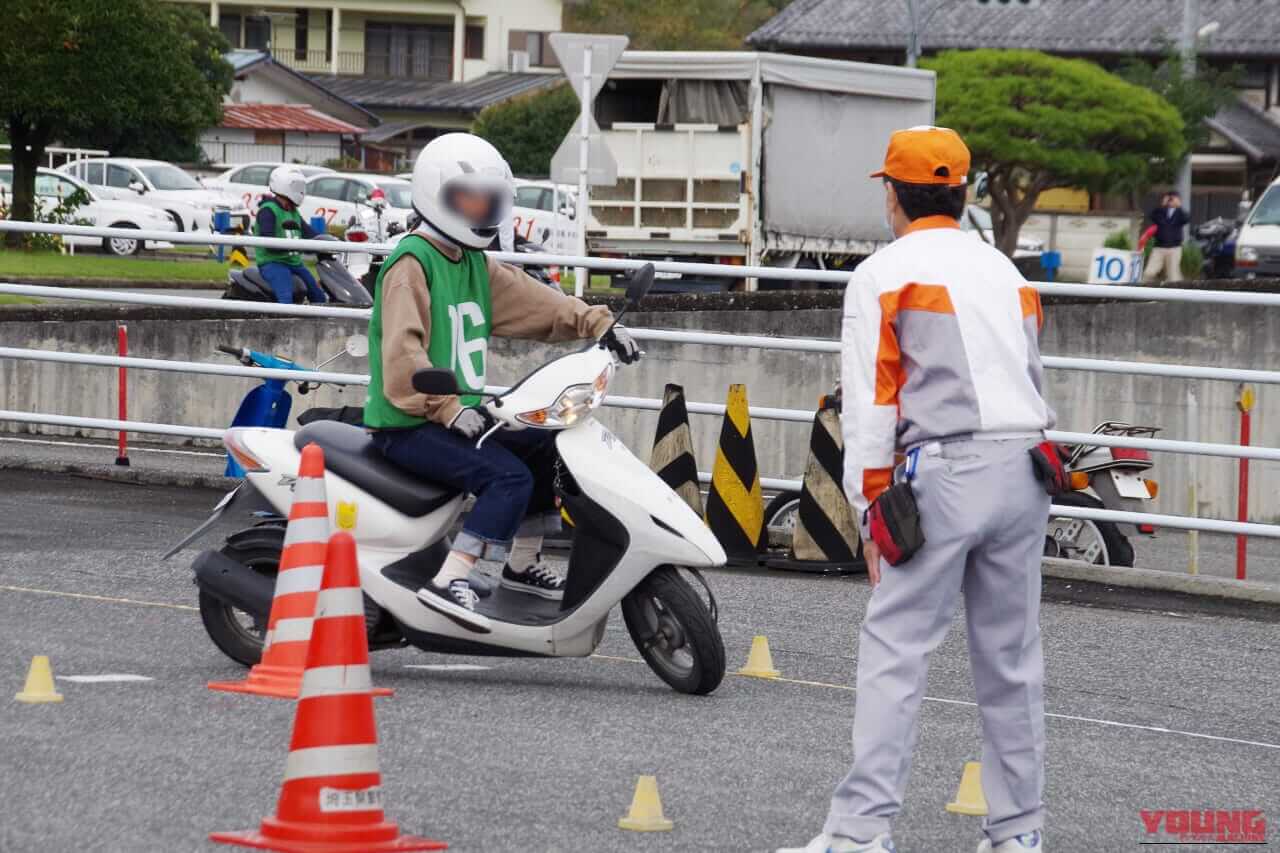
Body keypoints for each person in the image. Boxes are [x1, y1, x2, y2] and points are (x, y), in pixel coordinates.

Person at [778, 126, 1054, 853]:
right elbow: (1030, 376)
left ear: (892, 193)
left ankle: (861, 832)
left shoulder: (883, 273)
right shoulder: (1009, 273)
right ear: (962, 194)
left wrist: (872, 505)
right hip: (1025, 468)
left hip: (944, 474)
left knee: (896, 648)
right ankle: (1018, 833)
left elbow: (873, 403)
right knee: (1011, 659)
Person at [363, 132, 639, 630]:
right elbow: (403, 356)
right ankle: (452, 579)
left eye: (491, 199)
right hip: (409, 423)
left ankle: (520, 567)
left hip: (458, 416)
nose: (482, 209)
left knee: (544, 443)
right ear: (436, 195)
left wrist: (599, 323)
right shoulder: (411, 263)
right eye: (471, 198)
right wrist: (447, 409)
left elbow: (539, 302)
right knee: (506, 476)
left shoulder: (473, 263)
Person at [252, 166, 327, 304]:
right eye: (296, 186)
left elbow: (308, 232)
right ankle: (284, 325)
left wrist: (330, 241)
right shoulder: (268, 210)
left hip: (294, 263)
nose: (301, 191)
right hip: (273, 263)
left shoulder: (293, 211)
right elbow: (268, 242)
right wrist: (297, 246)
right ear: (283, 186)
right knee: (286, 299)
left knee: (318, 295)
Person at [1143, 191, 1190, 283]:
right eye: (1169, 198)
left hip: (1174, 248)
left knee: (1173, 275)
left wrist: (1179, 206)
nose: (1170, 201)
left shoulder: (1179, 213)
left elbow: (1186, 219)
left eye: (1173, 198)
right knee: (1149, 272)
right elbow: (1151, 216)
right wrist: (1162, 205)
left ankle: (1176, 294)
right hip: (1159, 247)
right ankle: (1143, 292)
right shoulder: (1161, 212)